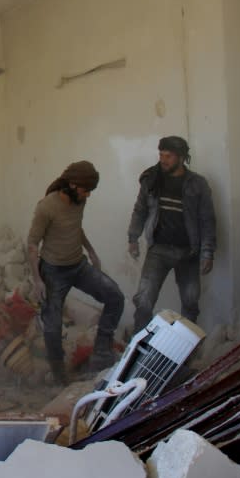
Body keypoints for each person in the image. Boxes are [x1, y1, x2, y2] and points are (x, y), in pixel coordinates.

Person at [27, 161, 124, 385]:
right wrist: (37, 279)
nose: (88, 195)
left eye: (90, 191)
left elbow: (75, 227)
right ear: (71, 185)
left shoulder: (78, 201)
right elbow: (32, 243)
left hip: (78, 266)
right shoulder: (46, 207)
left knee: (115, 297)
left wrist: (91, 252)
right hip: (53, 271)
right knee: (52, 326)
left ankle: (101, 355)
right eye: (85, 190)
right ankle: (60, 375)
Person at [128, 136, 216, 333]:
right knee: (143, 301)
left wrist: (207, 253)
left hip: (189, 253)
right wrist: (133, 238)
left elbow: (207, 221)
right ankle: (137, 350)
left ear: (182, 157)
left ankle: (184, 356)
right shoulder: (151, 179)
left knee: (191, 304)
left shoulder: (198, 184)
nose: (163, 160)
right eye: (161, 155)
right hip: (158, 250)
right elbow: (140, 209)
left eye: (168, 156)